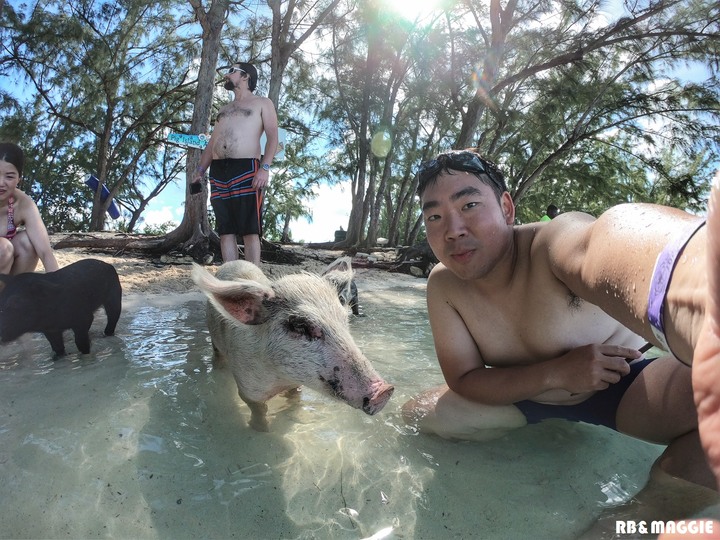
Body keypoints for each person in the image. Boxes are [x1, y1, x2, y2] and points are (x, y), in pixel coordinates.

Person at [402, 150, 719, 496]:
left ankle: (646, 516)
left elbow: (607, 242)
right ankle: (550, 432)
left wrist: (699, 285)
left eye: (469, 206)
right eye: (434, 216)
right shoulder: (444, 284)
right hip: (526, 395)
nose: (453, 230)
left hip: (620, 387)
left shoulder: (552, 242)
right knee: (414, 415)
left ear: (507, 208)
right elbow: (463, 378)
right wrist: (555, 373)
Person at [191, 61, 279, 266]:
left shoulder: (262, 103)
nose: (226, 75)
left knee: (250, 230)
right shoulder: (224, 109)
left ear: (246, 76)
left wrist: (264, 169)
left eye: (232, 71)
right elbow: (212, 142)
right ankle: (231, 280)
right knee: (225, 230)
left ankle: (254, 282)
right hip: (219, 171)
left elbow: (273, 137)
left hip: (247, 168)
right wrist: (200, 170)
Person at [0, 142, 59, 275]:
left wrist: (59, 288)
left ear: (19, 179)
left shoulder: (23, 203)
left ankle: (10, 294)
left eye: (9, 176)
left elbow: (45, 252)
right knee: (3, 248)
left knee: (29, 243)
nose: (1, 183)